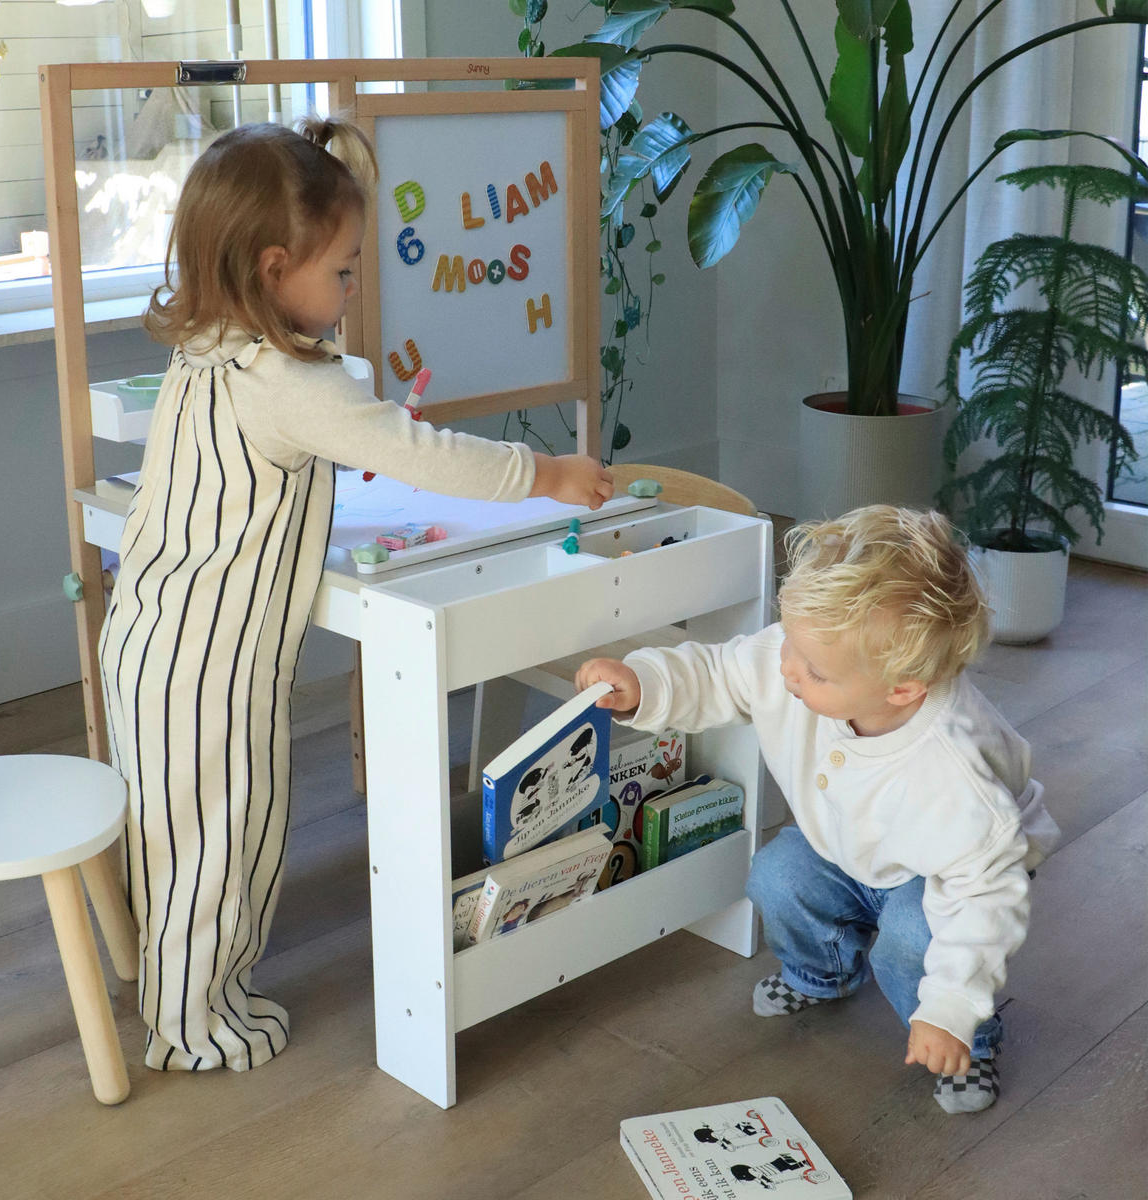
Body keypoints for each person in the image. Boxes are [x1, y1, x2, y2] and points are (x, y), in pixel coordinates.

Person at [99, 117, 613, 1073]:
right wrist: (547, 472)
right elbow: (420, 450)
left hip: (150, 634)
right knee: (224, 839)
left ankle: (175, 985)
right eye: (340, 273)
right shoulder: (289, 377)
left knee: (176, 831)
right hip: (210, 659)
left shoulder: (207, 345)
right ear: (272, 266)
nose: (351, 290)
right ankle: (194, 1024)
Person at [575, 506, 1059, 1114]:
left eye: (812, 669)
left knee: (914, 937)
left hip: (954, 873)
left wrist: (954, 1008)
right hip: (849, 842)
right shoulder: (803, 656)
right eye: (789, 643)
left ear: (902, 689)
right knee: (777, 877)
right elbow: (721, 670)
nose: (785, 670)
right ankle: (820, 972)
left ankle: (970, 1042)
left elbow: (985, 894)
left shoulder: (950, 772)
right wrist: (646, 683)